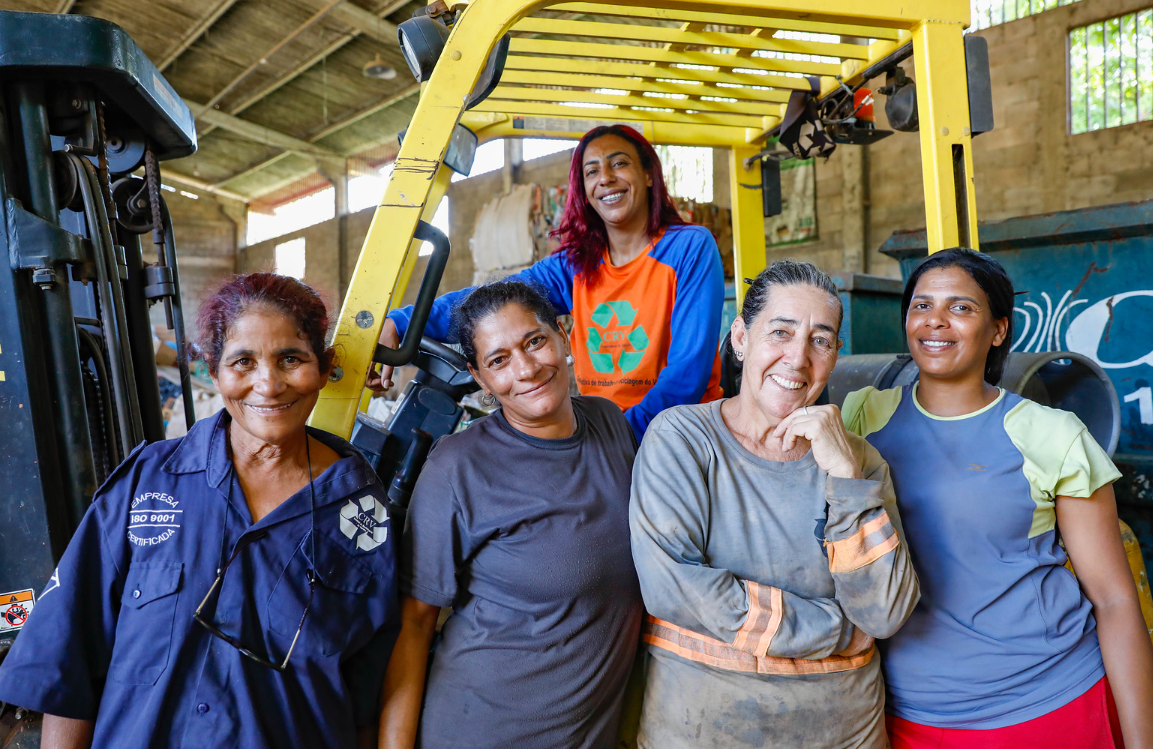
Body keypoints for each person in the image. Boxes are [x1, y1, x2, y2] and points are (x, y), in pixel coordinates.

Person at [0, 273, 398, 749]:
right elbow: (70, 662)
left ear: (324, 366)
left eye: (291, 359)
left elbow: (367, 697)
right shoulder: (147, 484)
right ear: (213, 370)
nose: (268, 385)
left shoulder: (363, 517)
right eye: (243, 362)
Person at [841, 248, 1153, 749]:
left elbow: (1115, 600)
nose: (935, 322)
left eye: (961, 308)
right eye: (921, 306)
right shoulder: (861, 415)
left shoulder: (1051, 433)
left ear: (999, 329)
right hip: (902, 712)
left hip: (1047, 703)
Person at [630, 261, 920, 748]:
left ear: (835, 356)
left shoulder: (860, 460)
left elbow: (885, 614)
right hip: (702, 729)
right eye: (780, 332)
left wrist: (845, 480)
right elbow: (672, 588)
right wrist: (837, 628)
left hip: (843, 730)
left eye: (820, 340)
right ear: (741, 338)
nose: (798, 358)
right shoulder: (682, 438)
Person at [378, 279, 643, 748]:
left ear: (563, 335)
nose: (525, 369)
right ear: (480, 380)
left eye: (535, 341)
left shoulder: (610, 425)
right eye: (498, 360)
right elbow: (416, 624)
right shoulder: (458, 467)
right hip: (481, 729)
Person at [368, 125, 724, 438]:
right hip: (604, 431)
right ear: (584, 189)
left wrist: (619, 437)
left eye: (619, 163)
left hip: (678, 432)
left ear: (648, 174)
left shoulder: (689, 248)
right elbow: (493, 301)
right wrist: (401, 323)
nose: (606, 178)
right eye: (592, 171)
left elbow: (685, 376)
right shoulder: (577, 264)